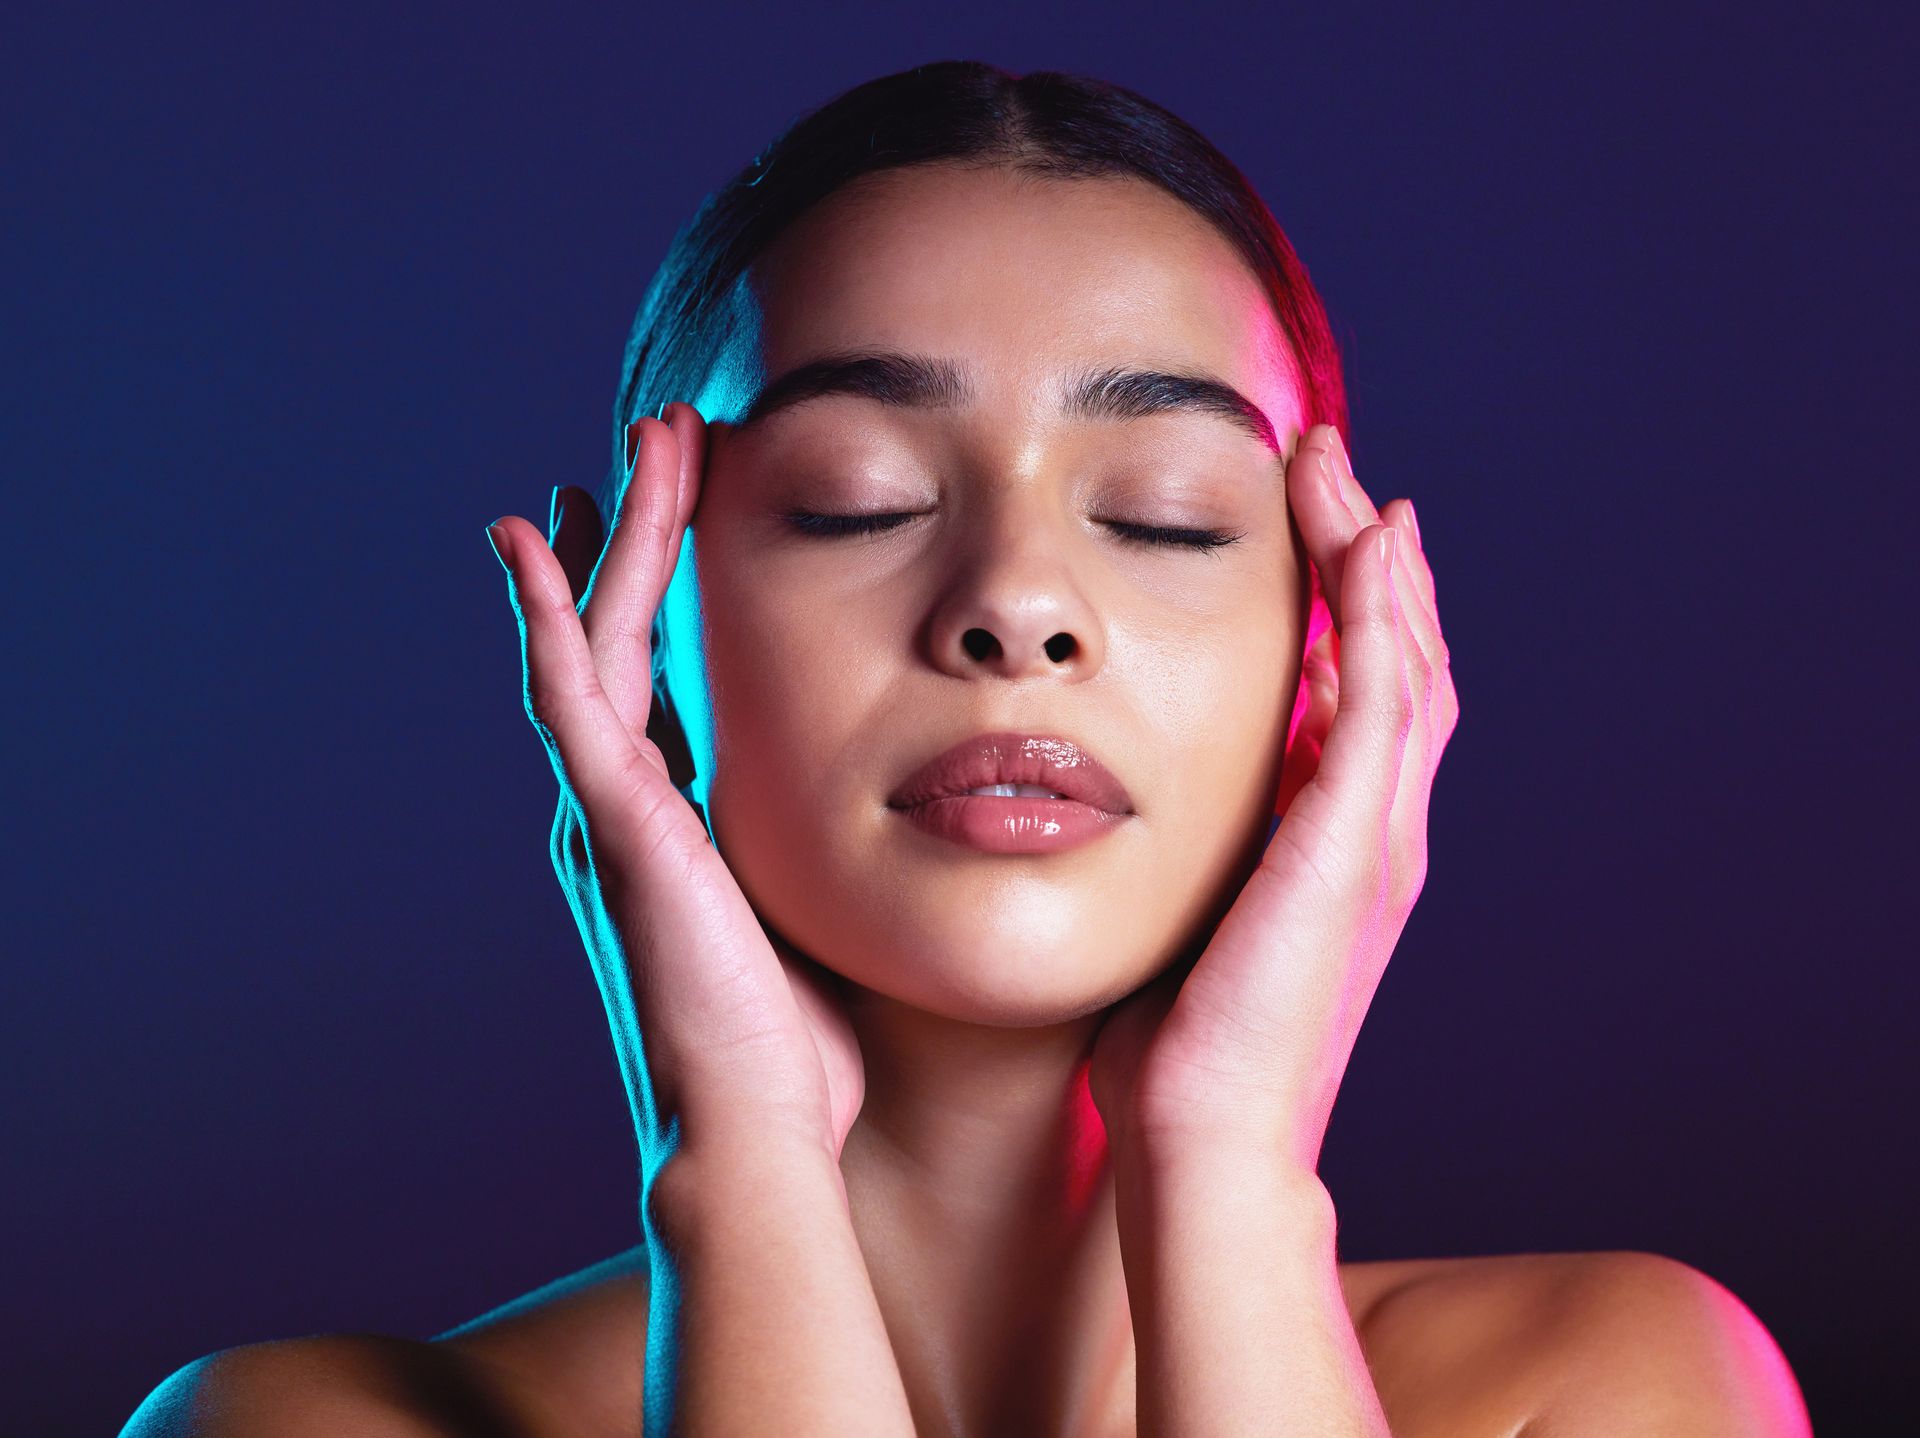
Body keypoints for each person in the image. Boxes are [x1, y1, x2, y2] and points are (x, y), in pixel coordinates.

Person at [121, 61, 1810, 1438]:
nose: (1015, 603)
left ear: (1334, 663)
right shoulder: (296, 1425)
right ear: (635, 649)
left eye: (1163, 518)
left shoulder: (1626, 1385)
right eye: (860, 498)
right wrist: (744, 1175)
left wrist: (1227, 1166)